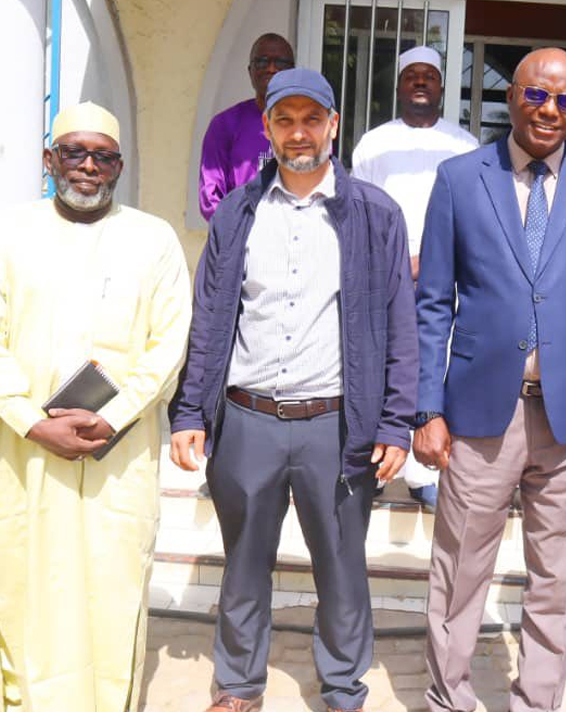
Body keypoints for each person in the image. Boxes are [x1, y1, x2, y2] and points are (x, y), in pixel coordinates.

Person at [168, 68, 417, 712]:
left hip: (335, 426)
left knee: (341, 567)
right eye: (285, 120)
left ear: (333, 125)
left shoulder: (375, 214)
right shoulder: (237, 212)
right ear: (269, 128)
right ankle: (237, 685)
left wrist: (396, 422)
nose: (299, 133)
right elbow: (209, 317)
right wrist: (190, 410)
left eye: (311, 119)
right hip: (247, 419)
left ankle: (342, 689)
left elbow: (400, 323)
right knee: (244, 563)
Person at [414, 47, 566, 712]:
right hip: (480, 413)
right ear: (512, 95)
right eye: (537, 94)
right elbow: (432, 304)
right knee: (459, 570)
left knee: (555, 578)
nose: (549, 110)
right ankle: (448, 698)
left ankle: (537, 701)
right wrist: (426, 407)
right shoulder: (460, 178)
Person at [0, 102, 191, 712]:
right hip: (25, 453)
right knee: (30, 587)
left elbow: (169, 344)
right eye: (75, 153)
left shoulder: (153, 239)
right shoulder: (7, 234)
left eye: (104, 157)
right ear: (50, 159)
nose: (89, 167)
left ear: (120, 167)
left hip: (119, 453)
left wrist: (114, 416)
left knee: (113, 587)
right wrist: (33, 423)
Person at [351, 45, 478, 509]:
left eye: (430, 76)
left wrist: (433, 260)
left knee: (432, 368)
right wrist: (395, 260)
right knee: (381, 368)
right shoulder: (374, 143)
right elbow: (358, 209)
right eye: (412, 76)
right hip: (382, 275)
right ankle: (376, 465)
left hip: (445, 281)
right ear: (400, 86)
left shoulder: (464, 146)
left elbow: (474, 217)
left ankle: (424, 474)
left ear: (442, 87)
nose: (421, 82)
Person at [198, 33, 295, 221]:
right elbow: (210, 198)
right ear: (250, 71)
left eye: (280, 62)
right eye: (262, 62)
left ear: (292, 71)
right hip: (239, 232)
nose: (271, 68)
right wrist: (237, 229)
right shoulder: (224, 125)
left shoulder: (308, 128)